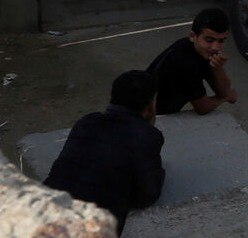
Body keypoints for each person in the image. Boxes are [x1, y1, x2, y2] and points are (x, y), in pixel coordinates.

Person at [43, 70, 165, 233]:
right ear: (150, 107)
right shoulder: (147, 136)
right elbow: (147, 195)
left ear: (111, 99)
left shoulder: (86, 122)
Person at [146, 7, 239, 115]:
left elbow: (223, 91)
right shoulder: (186, 62)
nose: (215, 47)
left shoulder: (202, 51)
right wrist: (226, 98)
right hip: (150, 116)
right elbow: (203, 107)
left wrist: (217, 68)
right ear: (192, 36)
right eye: (209, 40)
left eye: (221, 41)